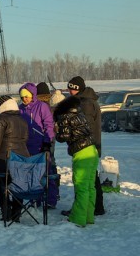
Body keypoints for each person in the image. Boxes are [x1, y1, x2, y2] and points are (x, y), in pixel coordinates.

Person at [53, 95, 99, 227]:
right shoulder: (79, 112)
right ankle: (89, 216)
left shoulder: (64, 116)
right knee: (90, 187)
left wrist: (56, 132)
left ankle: (78, 219)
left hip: (82, 153)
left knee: (81, 187)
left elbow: (64, 136)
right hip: (92, 150)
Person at [65, 76, 105, 217]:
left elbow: (82, 127)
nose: (69, 91)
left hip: (86, 147)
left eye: (71, 88)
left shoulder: (85, 104)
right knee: (91, 180)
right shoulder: (86, 101)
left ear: (77, 89)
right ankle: (93, 208)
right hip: (91, 146)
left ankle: (85, 209)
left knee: (84, 182)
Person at [0, 96, 29, 222]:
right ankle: (16, 213)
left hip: (5, 159)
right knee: (18, 185)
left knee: (3, 185)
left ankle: (6, 212)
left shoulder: (0, 119)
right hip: (22, 158)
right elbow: (25, 139)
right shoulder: (22, 119)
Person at [18, 82, 58, 208]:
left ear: (33, 95)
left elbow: (49, 125)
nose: (25, 99)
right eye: (22, 96)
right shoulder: (20, 109)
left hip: (42, 145)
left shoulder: (42, 107)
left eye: (27, 96)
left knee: (47, 173)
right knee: (31, 174)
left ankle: (51, 200)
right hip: (27, 147)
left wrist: (47, 142)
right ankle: (35, 199)